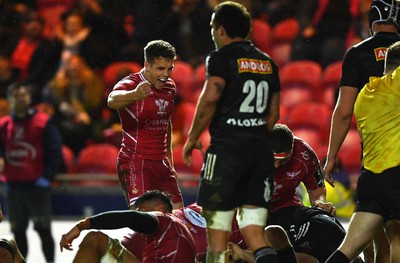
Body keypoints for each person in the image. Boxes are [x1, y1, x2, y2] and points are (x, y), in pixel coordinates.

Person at [182, 2, 281, 262]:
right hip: (260, 155)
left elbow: (211, 97)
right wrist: (254, 134)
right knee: (255, 234)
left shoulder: (221, 57)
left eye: (213, 27)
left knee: (217, 238)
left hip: (226, 154)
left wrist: (192, 136)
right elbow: (274, 114)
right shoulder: (268, 63)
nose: (213, 33)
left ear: (221, 30)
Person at [323, 0, 400, 261]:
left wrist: (332, 155)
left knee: (364, 246)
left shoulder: (360, 66)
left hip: (371, 168)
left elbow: (343, 112)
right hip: (397, 168)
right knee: (397, 240)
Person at [107, 40, 183, 209]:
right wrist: (134, 95)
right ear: (147, 65)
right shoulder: (132, 84)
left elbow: (166, 121)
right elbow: (112, 100)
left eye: (170, 68)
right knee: (143, 222)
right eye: (160, 69)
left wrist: (169, 159)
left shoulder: (170, 87)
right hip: (136, 161)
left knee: (178, 220)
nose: (166, 74)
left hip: (161, 163)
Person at [268, 124, 351, 262]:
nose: (277, 165)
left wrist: (320, 203)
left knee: (328, 225)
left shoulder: (304, 153)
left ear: (292, 150)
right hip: (253, 213)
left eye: (283, 160)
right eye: (273, 160)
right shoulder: (249, 153)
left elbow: (317, 191)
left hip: (287, 207)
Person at [0, 83, 64, 262]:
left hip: (37, 186)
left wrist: (47, 177)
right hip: (13, 187)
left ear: (29, 98)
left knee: (43, 229)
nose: (22, 99)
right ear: (10, 100)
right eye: (17, 96)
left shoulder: (43, 122)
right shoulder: (3, 125)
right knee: (18, 232)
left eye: (24, 95)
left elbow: (54, 151)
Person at [59, 190, 196, 262]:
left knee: (95, 239)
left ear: (159, 209)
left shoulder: (165, 219)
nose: (140, 215)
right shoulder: (176, 233)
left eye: (142, 211)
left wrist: (81, 226)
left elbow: (131, 218)